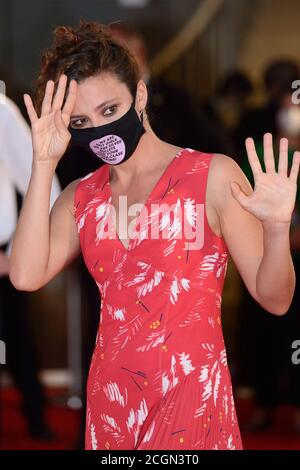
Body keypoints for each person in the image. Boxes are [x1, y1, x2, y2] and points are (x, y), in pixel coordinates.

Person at [8, 19, 299, 450]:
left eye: (110, 110)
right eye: (82, 120)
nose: (101, 129)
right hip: (111, 402)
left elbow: (276, 299)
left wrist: (276, 229)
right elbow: (25, 276)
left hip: (193, 398)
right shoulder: (79, 196)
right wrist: (43, 163)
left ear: (139, 95)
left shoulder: (212, 175)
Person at [0, 92, 60, 439]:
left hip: (3, 261)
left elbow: (43, 182)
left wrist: (14, 249)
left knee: (17, 343)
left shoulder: (1, 112)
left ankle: (36, 419)